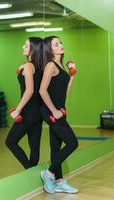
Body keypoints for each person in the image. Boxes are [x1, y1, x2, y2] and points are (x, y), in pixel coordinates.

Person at [39, 36, 79, 193]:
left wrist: (72, 75)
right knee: (72, 143)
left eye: (61, 42)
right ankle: (48, 173)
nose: (61, 45)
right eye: (56, 44)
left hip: (60, 110)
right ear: (50, 49)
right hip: (51, 111)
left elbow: (65, 93)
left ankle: (59, 181)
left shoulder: (60, 66)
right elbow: (42, 90)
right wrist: (54, 111)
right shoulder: (50, 65)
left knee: (56, 147)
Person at [5, 37, 43, 169]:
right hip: (38, 111)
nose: (23, 47)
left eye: (26, 45)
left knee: (10, 142)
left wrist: (18, 110)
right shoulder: (40, 66)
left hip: (28, 111)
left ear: (33, 49)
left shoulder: (28, 66)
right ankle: (33, 172)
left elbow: (29, 91)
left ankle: (29, 170)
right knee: (34, 146)